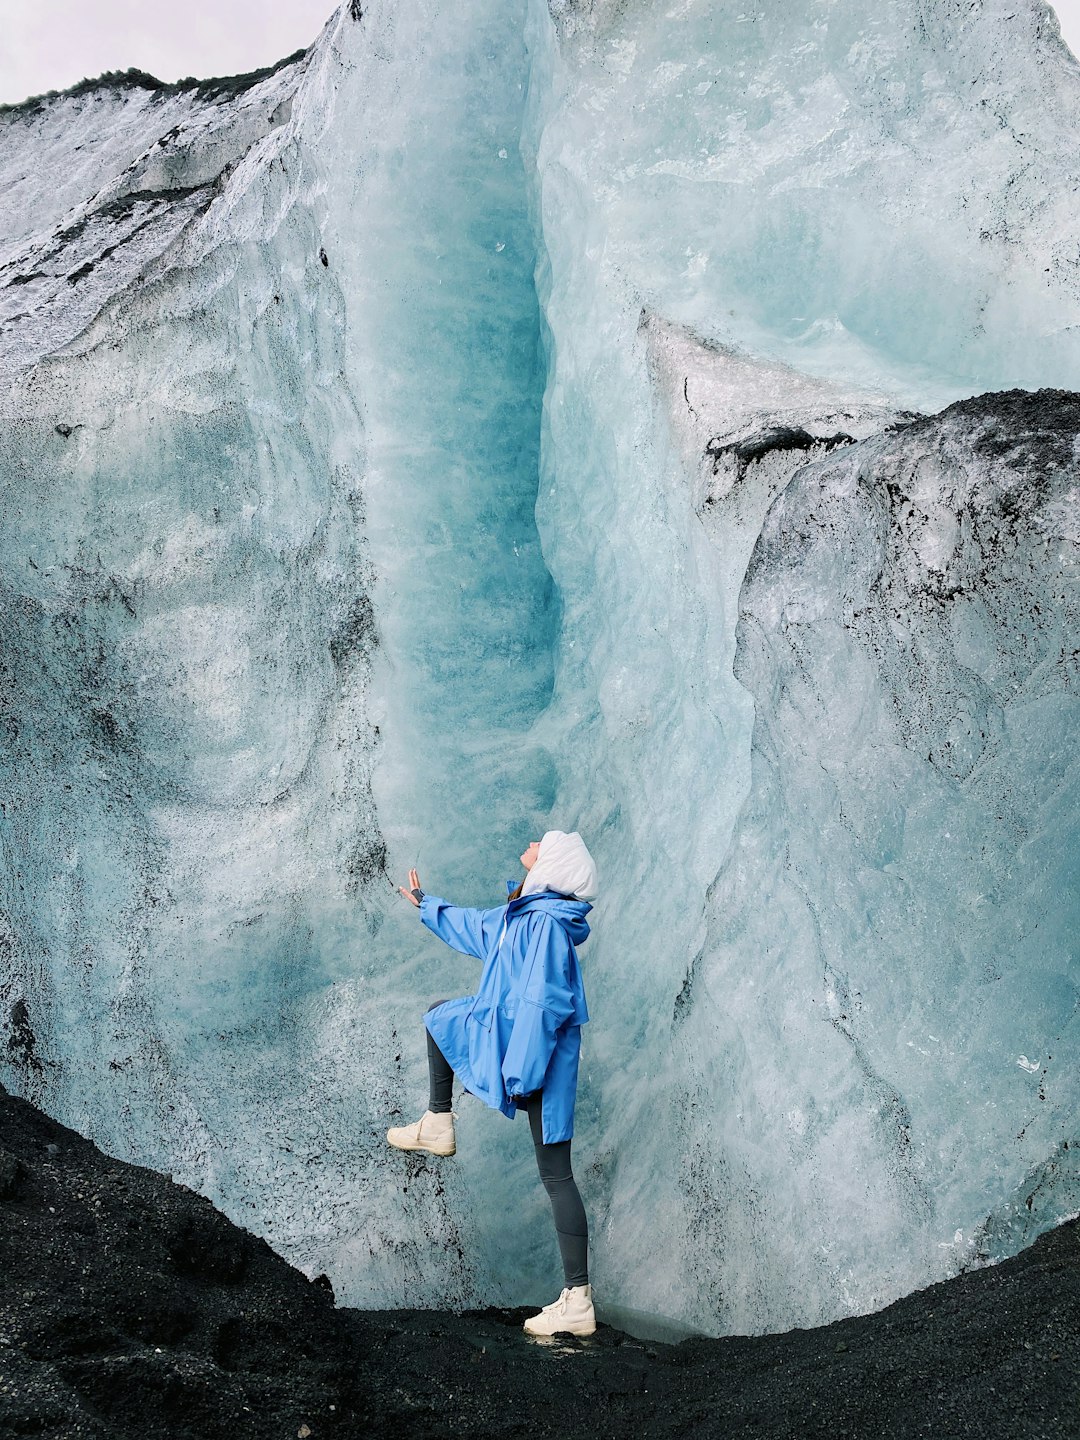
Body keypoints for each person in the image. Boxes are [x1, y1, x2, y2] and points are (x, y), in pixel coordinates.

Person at [387, 829, 599, 1338]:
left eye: (539, 843)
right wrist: (426, 903)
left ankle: (578, 1300)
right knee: (441, 1016)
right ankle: (438, 1122)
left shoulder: (544, 925)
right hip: (521, 1050)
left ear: (551, 864)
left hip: (534, 1059)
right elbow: (475, 929)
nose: (528, 844)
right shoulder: (526, 916)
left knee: (556, 1176)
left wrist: (522, 1072)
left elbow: (543, 1004)